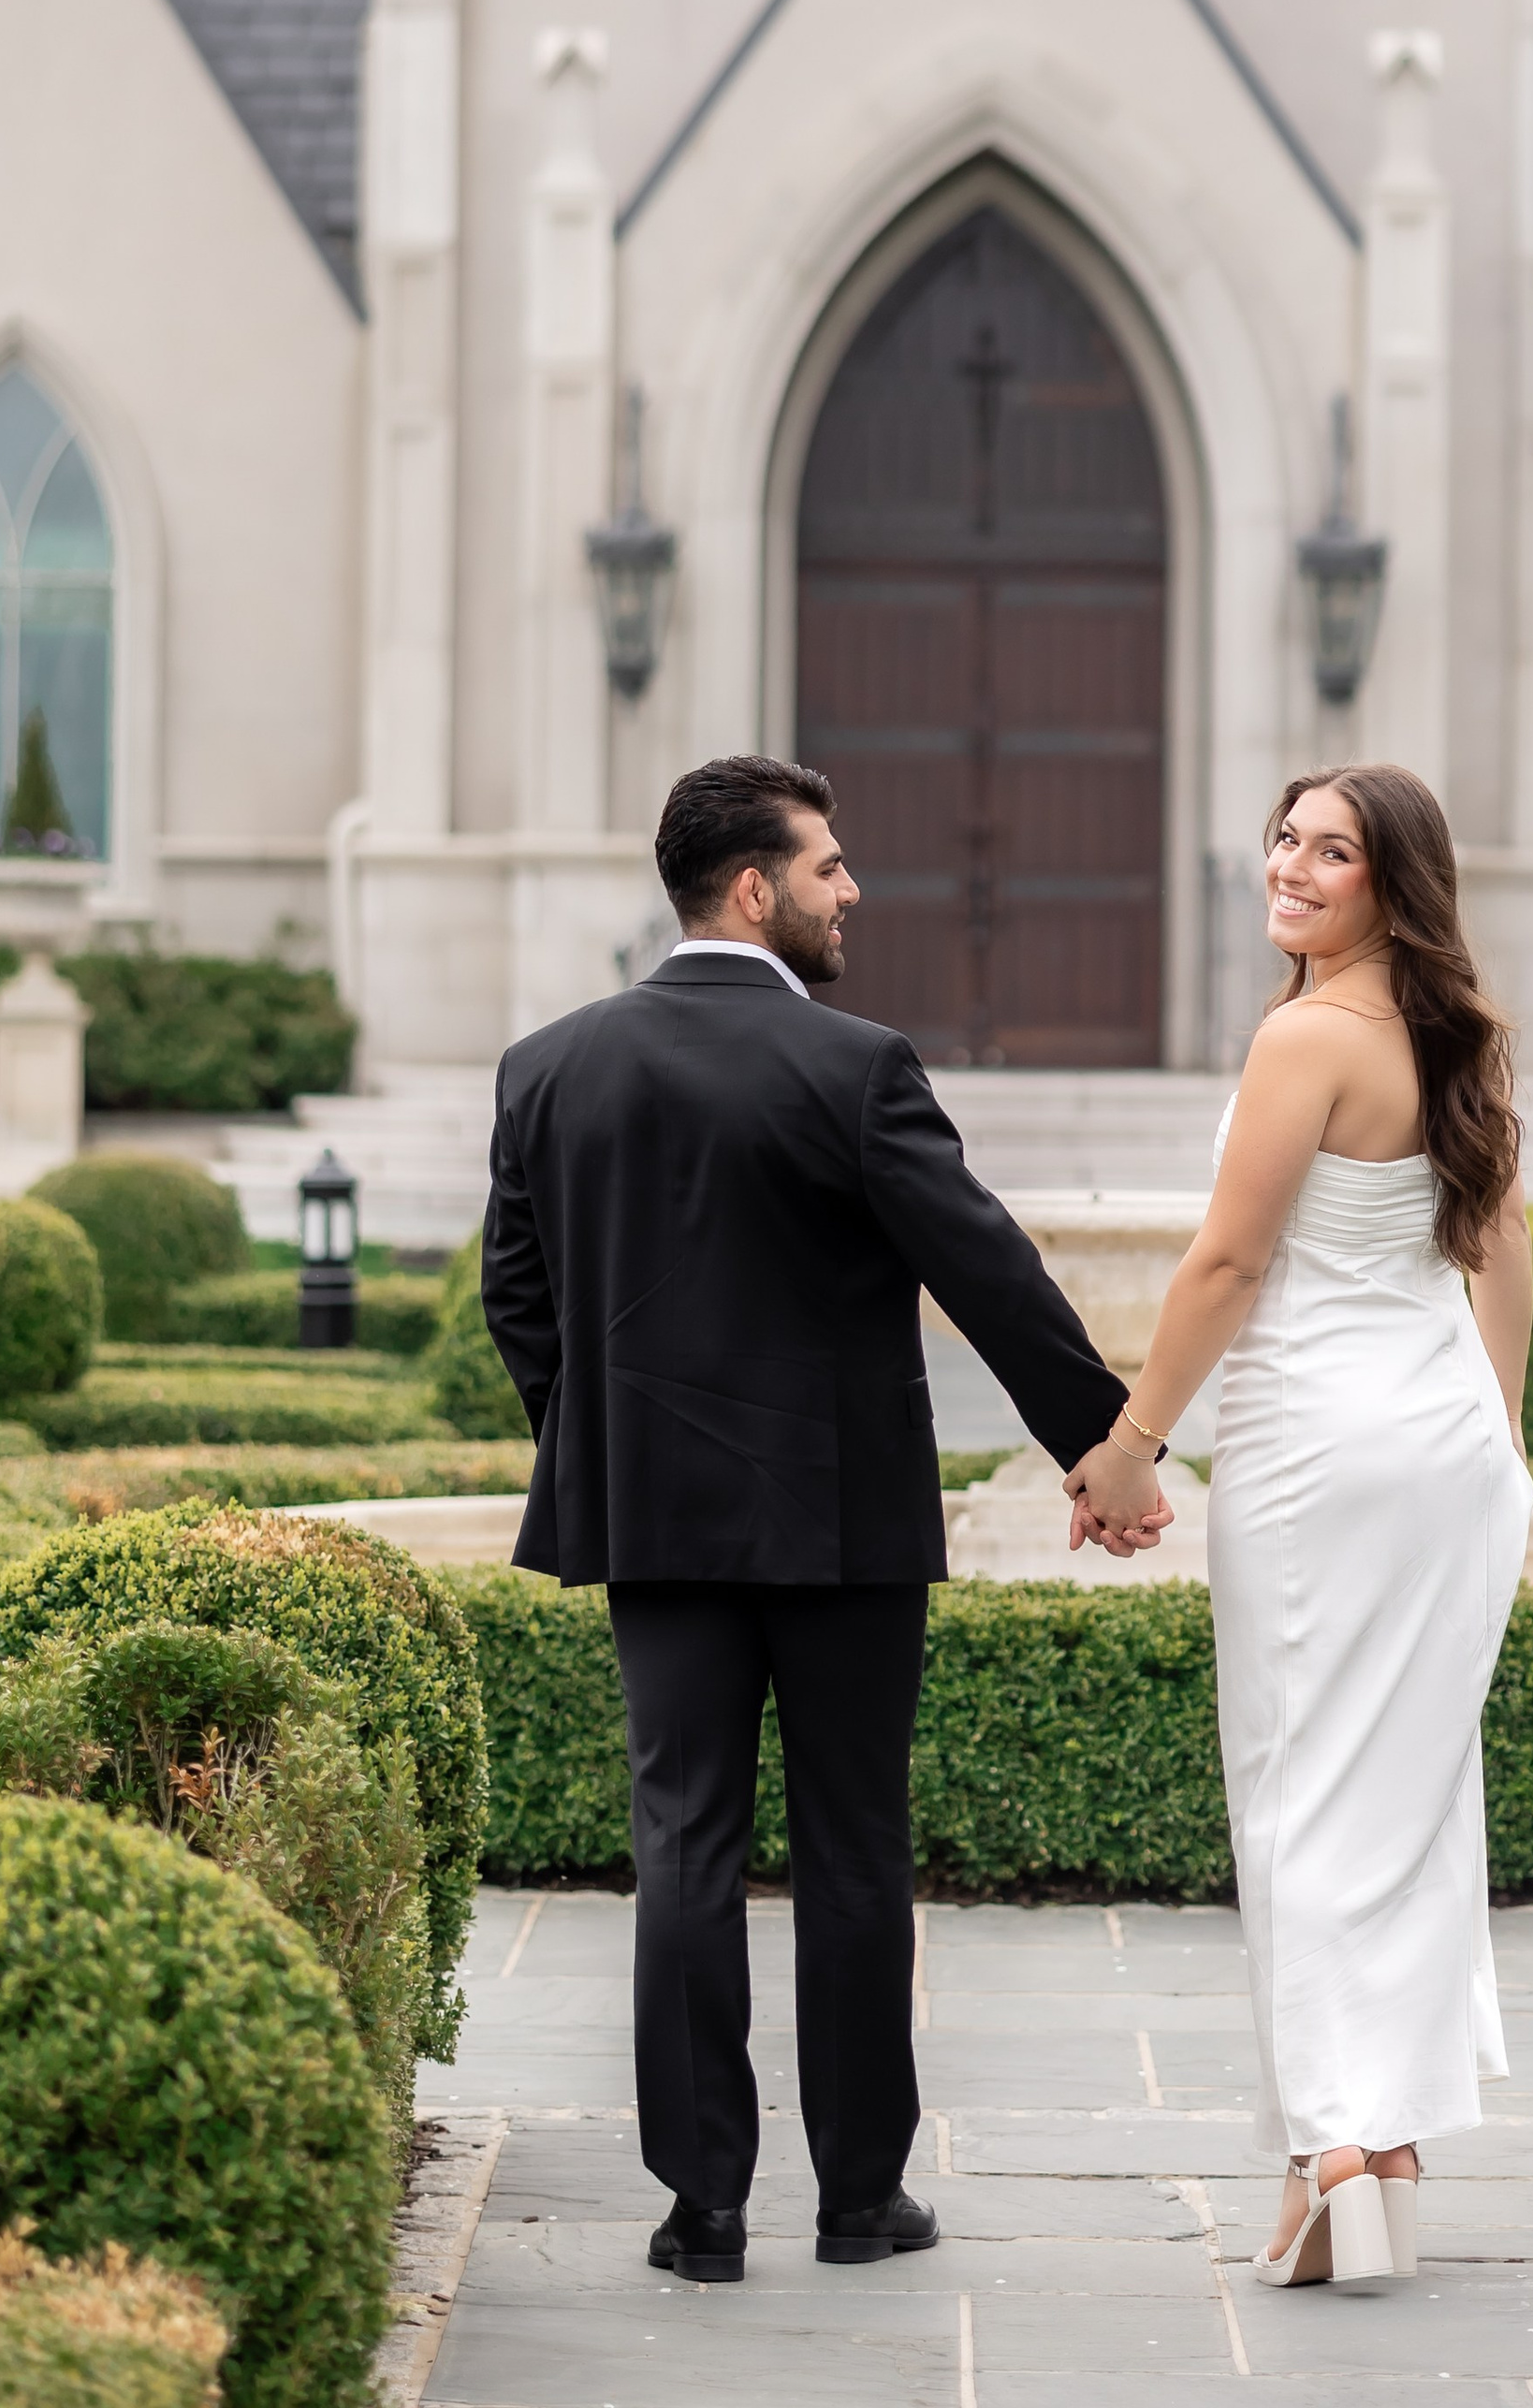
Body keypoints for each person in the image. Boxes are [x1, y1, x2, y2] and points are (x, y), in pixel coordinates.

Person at [479, 753, 1166, 2289]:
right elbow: (985, 1269)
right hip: (845, 1526)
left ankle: (701, 2206)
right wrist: (1105, 1445)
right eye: (830, 865)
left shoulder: (546, 1067)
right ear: (752, 887)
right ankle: (861, 2195)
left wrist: (609, 1445)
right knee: (856, 1850)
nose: (852, 889)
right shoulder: (857, 1068)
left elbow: (517, 1303)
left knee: (683, 1849)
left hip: (652, 1523)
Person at [1098, 765, 1533, 2293]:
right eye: (1286, 837)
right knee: (1409, 1804)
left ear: (1389, 883)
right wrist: (1501, 1438)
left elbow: (1228, 1261)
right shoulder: (1447, 1036)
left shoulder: (1311, 1035)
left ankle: (1337, 2141)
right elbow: (1501, 1249)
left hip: (1320, 1458)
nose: (1291, 865)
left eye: (1330, 850)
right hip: (1448, 1453)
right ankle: (1390, 2148)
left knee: (1303, 1799)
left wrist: (1133, 1439)